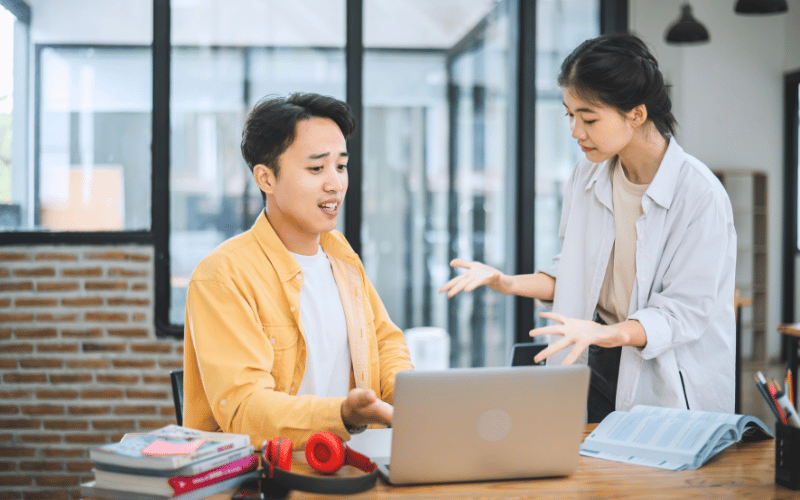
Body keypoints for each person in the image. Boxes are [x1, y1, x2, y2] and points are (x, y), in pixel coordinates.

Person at [440, 33, 736, 421]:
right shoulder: (587, 175)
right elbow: (575, 273)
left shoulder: (699, 194)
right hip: (596, 361)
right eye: (570, 115)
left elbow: (684, 313)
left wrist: (605, 334)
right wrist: (506, 282)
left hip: (669, 380)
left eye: (589, 118)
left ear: (637, 114)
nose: (576, 131)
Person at [183, 93, 413, 449]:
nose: (335, 184)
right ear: (266, 179)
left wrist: (410, 400)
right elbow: (245, 409)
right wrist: (343, 415)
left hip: (354, 463)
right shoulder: (222, 276)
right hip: (268, 471)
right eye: (316, 169)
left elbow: (385, 342)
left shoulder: (342, 256)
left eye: (341, 166)